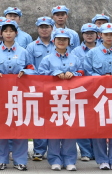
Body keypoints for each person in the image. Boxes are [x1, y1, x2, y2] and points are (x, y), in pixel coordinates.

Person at [0, 20, 30, 171]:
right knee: (0, 127)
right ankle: (0, 160)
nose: (8, 33)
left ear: (16, 33)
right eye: (5, 31)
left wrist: (25, 72)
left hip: (19, 95)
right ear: (1, 33)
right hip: (0, 95)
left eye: (11, 31)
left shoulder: (23, 51)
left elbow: (32, 69)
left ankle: (20, 160)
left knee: (19, 127)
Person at [83, 23, 112, 171]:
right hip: (98, 94)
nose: (109, 37)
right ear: (100, 35)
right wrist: (101, 78)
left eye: (111, 34)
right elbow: (87, 71)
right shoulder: (92, 53)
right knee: (99, 128)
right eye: (106, 34)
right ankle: (102, 160)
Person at [38, 28, 84, 171]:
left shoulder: (75, 59)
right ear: (54, 41)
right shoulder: (47, 59)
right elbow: (40, 75)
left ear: (69, 42)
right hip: (53, 100)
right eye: (59, 39)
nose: (62, 42)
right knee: (54, 130)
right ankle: (55, 160)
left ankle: (69, 160)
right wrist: (54, 73)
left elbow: (82, 73)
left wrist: (74, 74)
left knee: (70, 129)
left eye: (65, 39)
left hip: (71, 99)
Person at [24, 16, 57, 161]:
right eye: (41, 27)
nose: (44, 30)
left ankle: (55, 151)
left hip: (57, 88)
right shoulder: (31, 47)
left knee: (55, 118)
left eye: (47, 27)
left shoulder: (58, 43)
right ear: (37, 29)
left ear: (52, 28)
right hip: (38, 87)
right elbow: (29, 66)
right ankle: (39, 150)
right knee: (39, 119)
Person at [71, 23, 100, 162]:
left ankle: (98, 152)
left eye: (92, 33)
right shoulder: (75, 51)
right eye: (86, 33)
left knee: (97, 121)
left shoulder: (102, 49)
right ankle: (86, 152)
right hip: (81, 90)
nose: (89, 35)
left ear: (97, 35)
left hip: (99, 90)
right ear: (82, 35)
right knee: (81, 120)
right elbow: (74, 69)